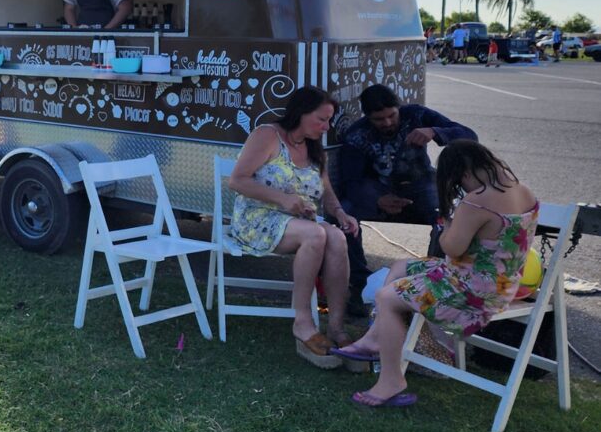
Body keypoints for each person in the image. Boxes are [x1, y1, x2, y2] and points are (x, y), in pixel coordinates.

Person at [333, 140, 539, 408]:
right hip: (499, 284)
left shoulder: (477, 201)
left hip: (472, 294)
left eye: (458, 183)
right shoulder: (522, 191)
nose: (462, 189)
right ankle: (375, 338)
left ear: (462, 173)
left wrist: (449, 220)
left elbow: (451, 247)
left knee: (386, 298)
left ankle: (391, 379)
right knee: (401, 266)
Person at [227, 86, 359, 368]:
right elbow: (237, 180)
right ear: (300, 113)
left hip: (297, 222)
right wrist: (284, 199)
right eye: (320, 120)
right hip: (257, 218)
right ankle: (302, 321)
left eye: (328, 121)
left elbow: (327, 191)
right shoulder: (268, 135)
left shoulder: (313, 146)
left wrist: (340, 213)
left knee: (336, 237)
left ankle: (336, 327)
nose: (325, 127)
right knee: (316, 234)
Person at [338, 84, 478, 318]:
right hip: (378, 190)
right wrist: (377, 200)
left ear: (399, 107)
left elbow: (469, 135)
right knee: (344, 213)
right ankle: (359, 284)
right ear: (367, 117)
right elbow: (351, 182)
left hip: (421, 183)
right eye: (378, 119)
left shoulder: (416, 114)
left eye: (392, 115)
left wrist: (434, 131)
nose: (387, 123)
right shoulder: (356, 135)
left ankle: (435, 283)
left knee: (443, 215)